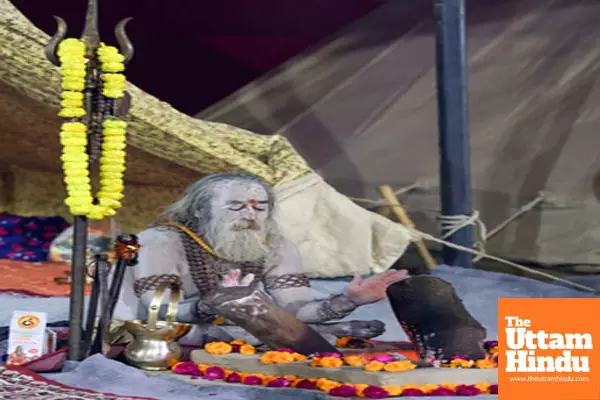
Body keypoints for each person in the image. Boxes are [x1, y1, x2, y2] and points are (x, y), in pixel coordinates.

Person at [113, 173, 408, 345]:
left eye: (260, 208)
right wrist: (215, 302)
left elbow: (296, 308)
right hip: (145, 331)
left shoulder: (276, 246)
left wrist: (347, 301)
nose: (250, 215)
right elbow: (159, 311)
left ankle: (311, 335)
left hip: (233, 329)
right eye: (236, 207)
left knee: (268, 322)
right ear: (200, 212)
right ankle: (316, 336)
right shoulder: (160, 241)